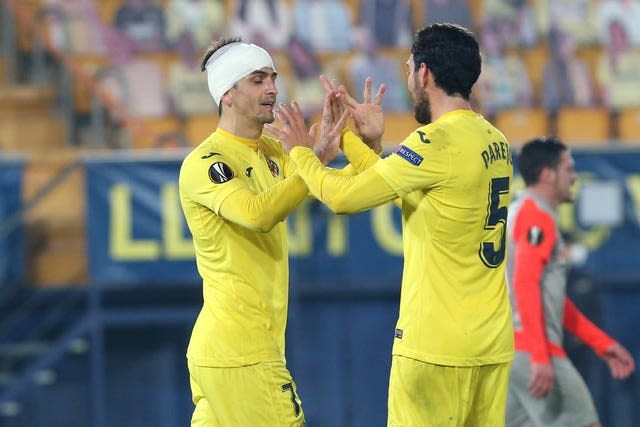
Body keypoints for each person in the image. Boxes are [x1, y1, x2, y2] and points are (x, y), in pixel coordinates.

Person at [267, 23, 515, 425]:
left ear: (425, 74)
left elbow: (344, 198)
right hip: (491, 345)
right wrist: (360, 142)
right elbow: (410, 189)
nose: (407, 76)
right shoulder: (495, 140)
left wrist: (301, 153)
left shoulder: (434, 143)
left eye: (408, 67)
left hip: (435, 348)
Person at [178, 36, 342, 426]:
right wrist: (309, 161)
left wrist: (365, 146)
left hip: (242, 350)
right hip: (240, 350)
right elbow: (257, 213)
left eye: (273, 77)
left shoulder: (271, 151)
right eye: (257, 79)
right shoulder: (205, 161)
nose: (272, 88)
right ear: (228, 94)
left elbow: (323, 189)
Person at [505, 137, 635, 427]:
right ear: (548, 175)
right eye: (569, 169)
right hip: (532, 350)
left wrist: (600, 343)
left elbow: (546, 296)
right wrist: (540, 356)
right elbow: (525, 284)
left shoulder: (518, 213)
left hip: (508, 352)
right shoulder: (537, 217)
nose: (575, 177)